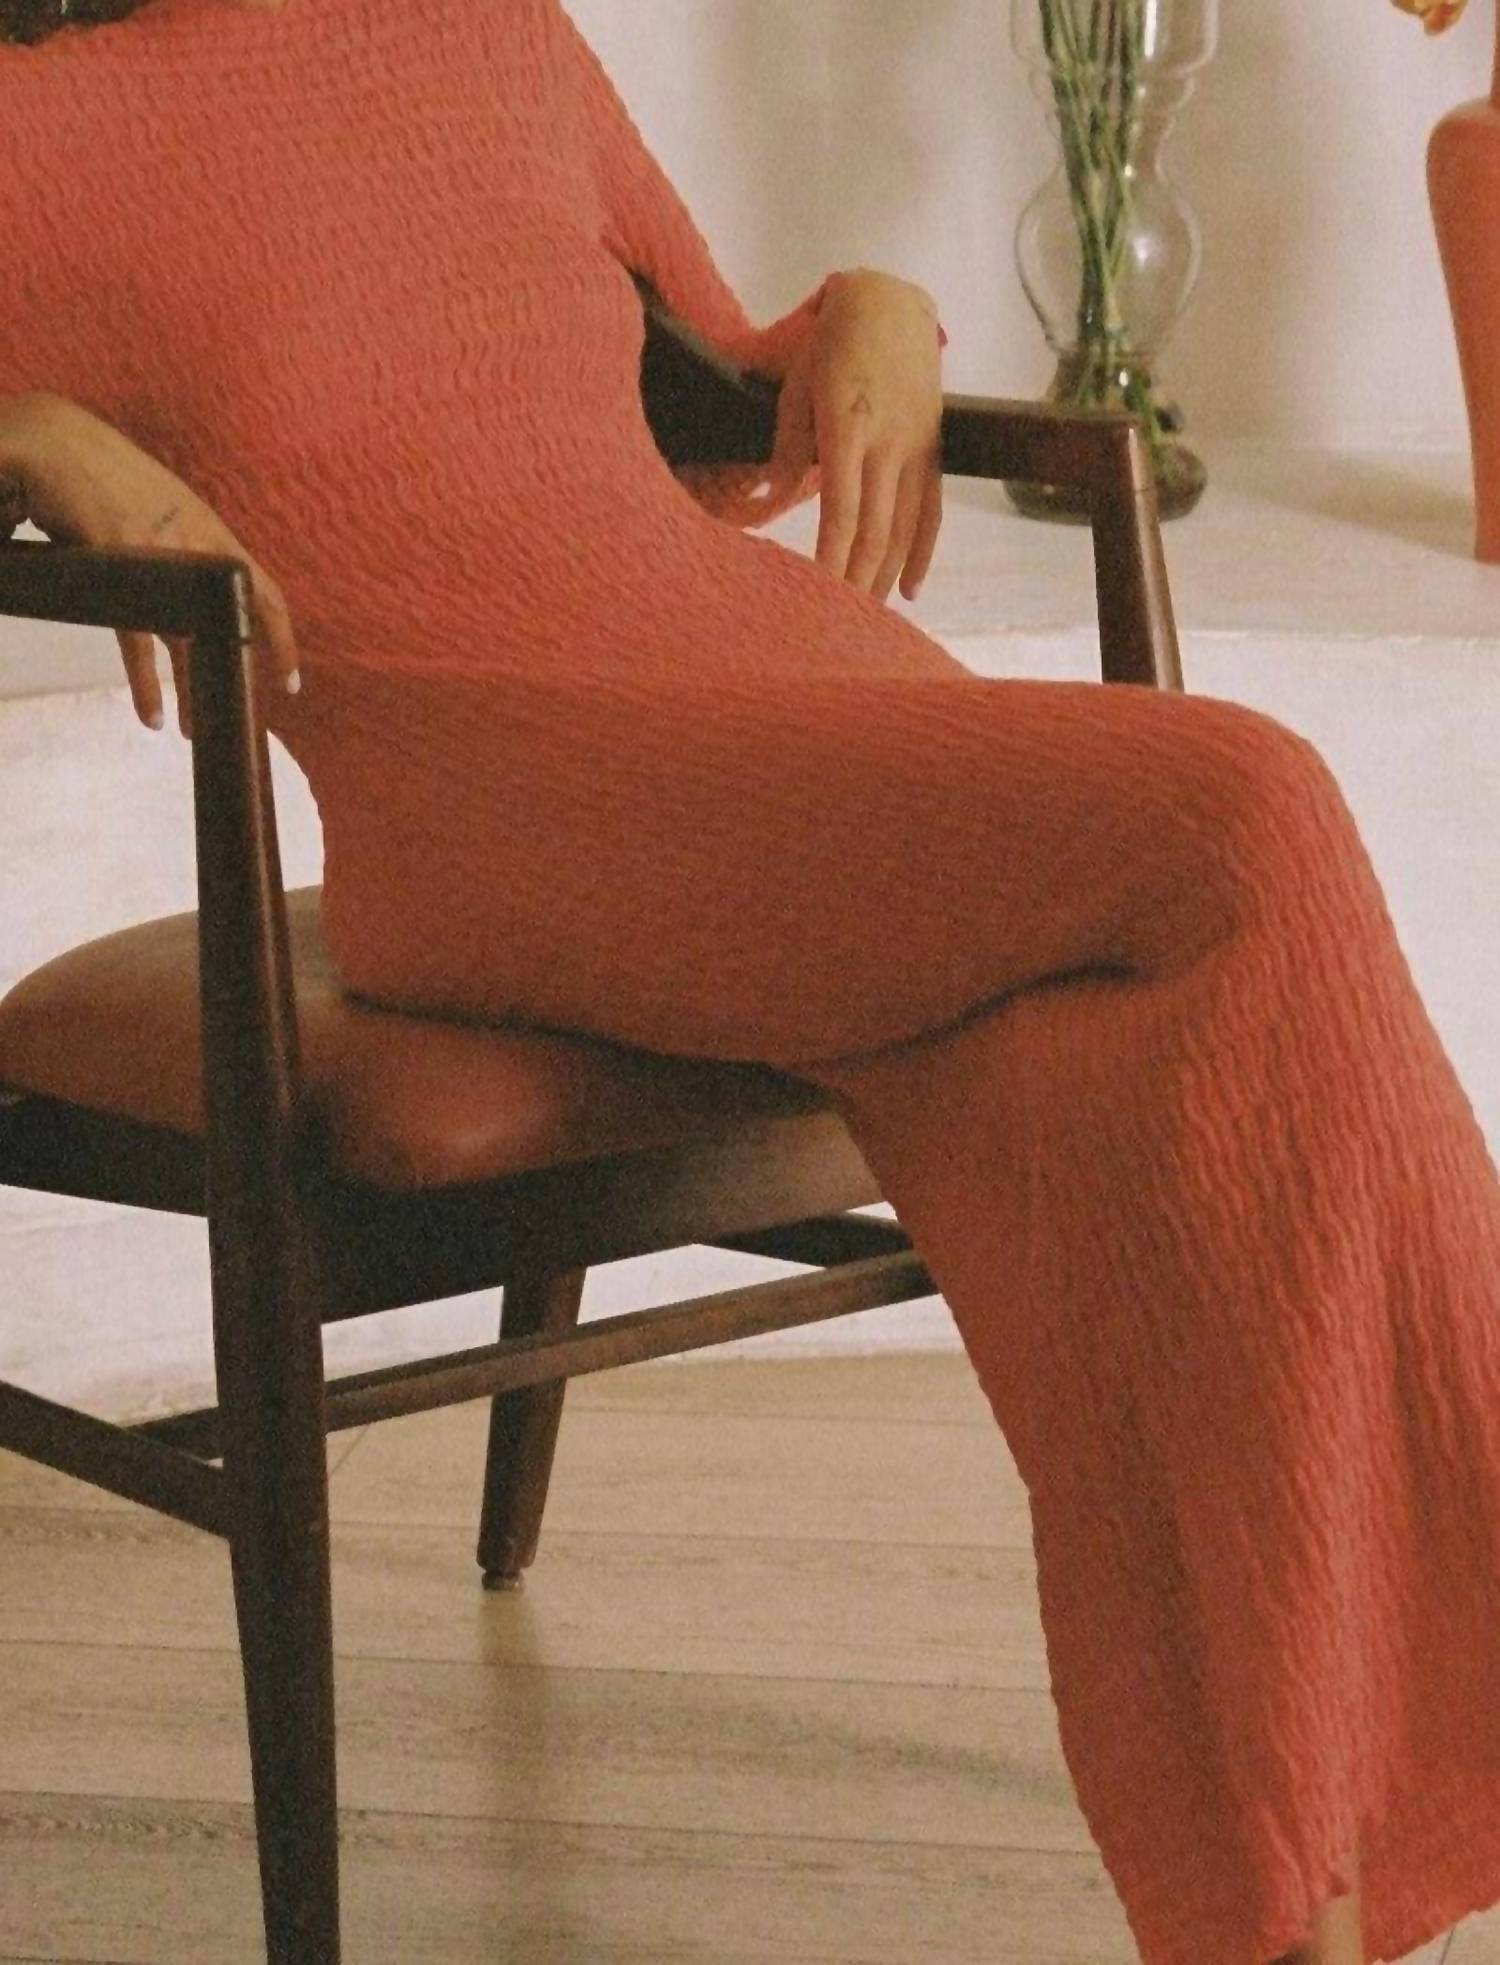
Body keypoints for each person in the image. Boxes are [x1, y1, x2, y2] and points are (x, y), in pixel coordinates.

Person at [2, 2, 1498, 1960]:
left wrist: (872, 309)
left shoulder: (488, 32)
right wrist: (29, 434)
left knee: (1121, 1068)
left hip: (776, 693)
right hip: (503, 786)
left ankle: (1292, 1893)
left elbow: (717, 386)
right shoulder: (29, 132)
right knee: (1245, 806)